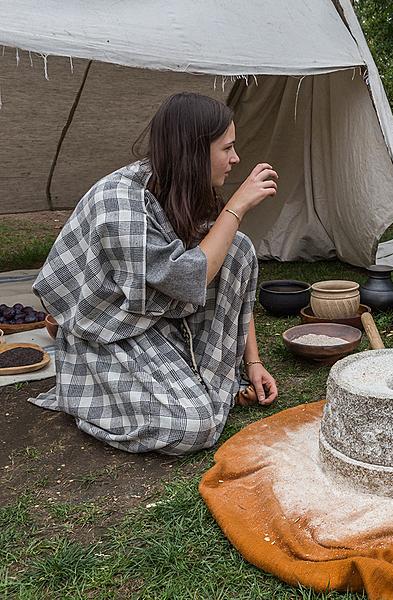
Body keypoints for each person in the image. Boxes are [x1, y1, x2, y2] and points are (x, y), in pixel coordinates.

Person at [32, 92, 279, 455]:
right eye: (227, 148)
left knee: (236, 247)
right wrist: (237, 205)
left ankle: (198, 384)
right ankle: (85, 397)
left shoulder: (181, 187)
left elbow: (227, 267)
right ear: (194, 151)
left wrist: (252, 363)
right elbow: (186, 278)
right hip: (106, 335)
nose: (235, 158)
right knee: (194, 427)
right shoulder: (119, 202)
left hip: (153, 321)